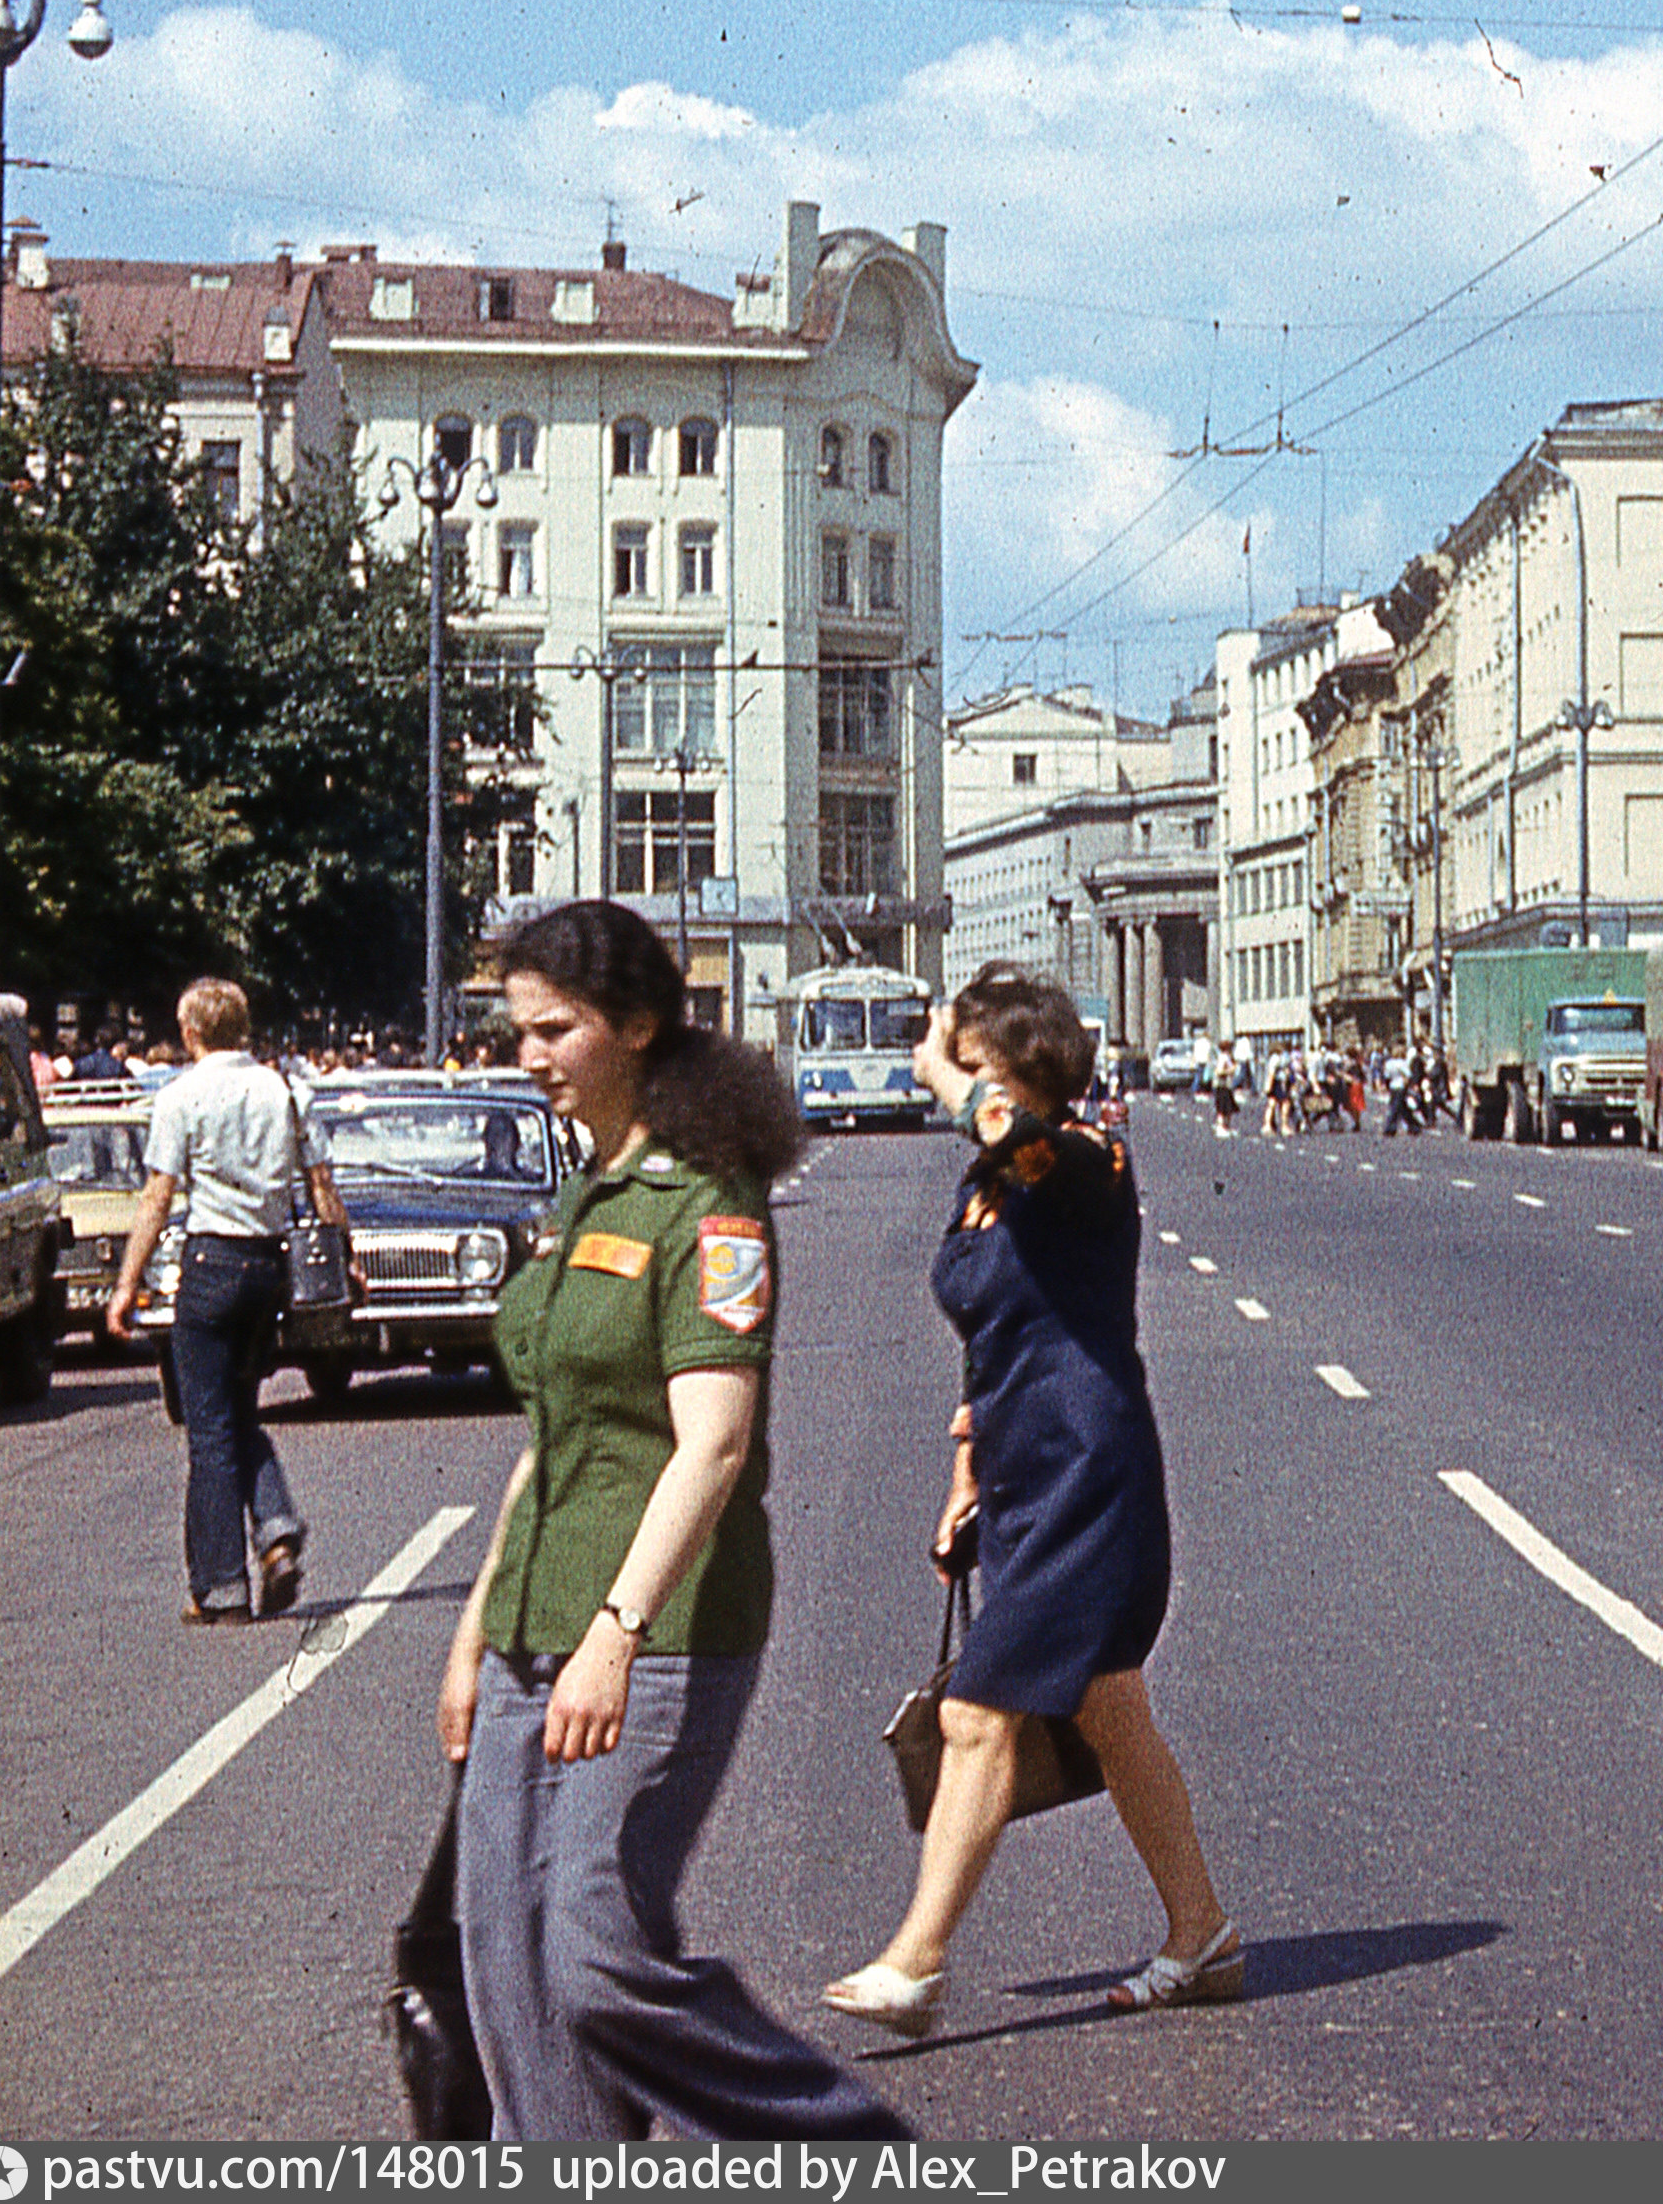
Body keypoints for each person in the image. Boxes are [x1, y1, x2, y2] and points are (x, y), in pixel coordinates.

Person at [437, 900, 912, 2142]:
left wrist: (616, 1630)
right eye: (516, 1031)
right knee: (507, 1963)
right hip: (530, 1628)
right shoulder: (583, 1194)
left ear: (637, 1026)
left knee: (594, 1954)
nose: (528, 1055)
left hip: (661, 1626)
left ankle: (841, 2139)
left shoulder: (706, 1201)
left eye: (555, 1029)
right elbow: (554, 1442)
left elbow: (714, 1445)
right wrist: (473, 1635)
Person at [827, 966, 1235, 2034]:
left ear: (1010, 1067)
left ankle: (915, 1963)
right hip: (1019, 1470)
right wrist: (963, 1470)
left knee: (976, 1710)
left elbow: (1022, 1140)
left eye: (961, 1054)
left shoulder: (1085, 1162)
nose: (941, 1071)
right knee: (1109, 1708)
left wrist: (946, 1078)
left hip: (1085, 1473)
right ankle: (1202, 1932)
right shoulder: (987, 1183)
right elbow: (993, 1336)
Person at [106, 978, 346, 1624]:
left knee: (209, 1430)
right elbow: (321, 1183)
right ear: (241, 1026)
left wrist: (127, 1282)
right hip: (269, 1269)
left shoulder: (180, 1095)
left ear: (190, 1032)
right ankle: (273, 1531)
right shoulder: (287, 1090)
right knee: (239, 1414)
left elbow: (159, 1194)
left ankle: (220, 1586)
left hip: (209, 1265)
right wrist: (344, 1262)